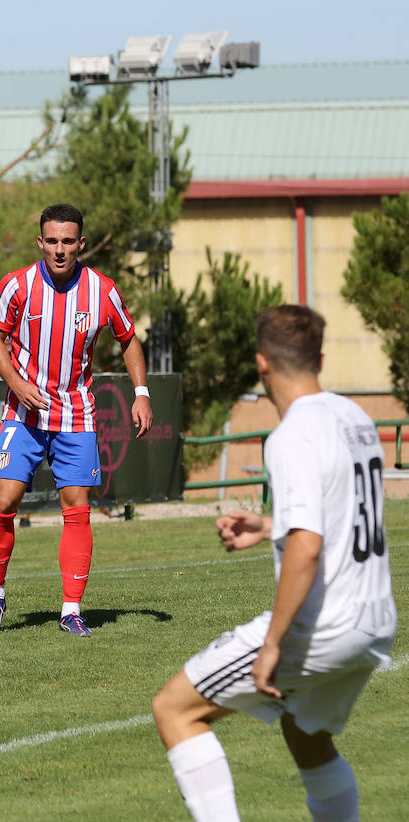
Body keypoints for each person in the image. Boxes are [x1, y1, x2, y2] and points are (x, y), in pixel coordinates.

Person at [152, 306, 396, 822]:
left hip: (326, 625)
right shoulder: (354, 417)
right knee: (305, 733)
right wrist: (269, 528)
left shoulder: (291, 435)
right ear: (320, 359)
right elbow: (341, 513)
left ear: (261, 363)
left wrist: (273, 644)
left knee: (175, 709)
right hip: (376, 622)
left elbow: (307, 547)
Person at [0, 203, 153, 637]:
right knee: (5, 501)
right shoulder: (16, 285)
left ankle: (71, 609)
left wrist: (142, 394)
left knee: (77, 509)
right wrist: (16, 384)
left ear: (81, 244)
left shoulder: (102, 291)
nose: (59, 249)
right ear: (40, 242)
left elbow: (129, 339)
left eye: (68, 241)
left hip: (77, 414)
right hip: (24, 413)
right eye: (51, 241)